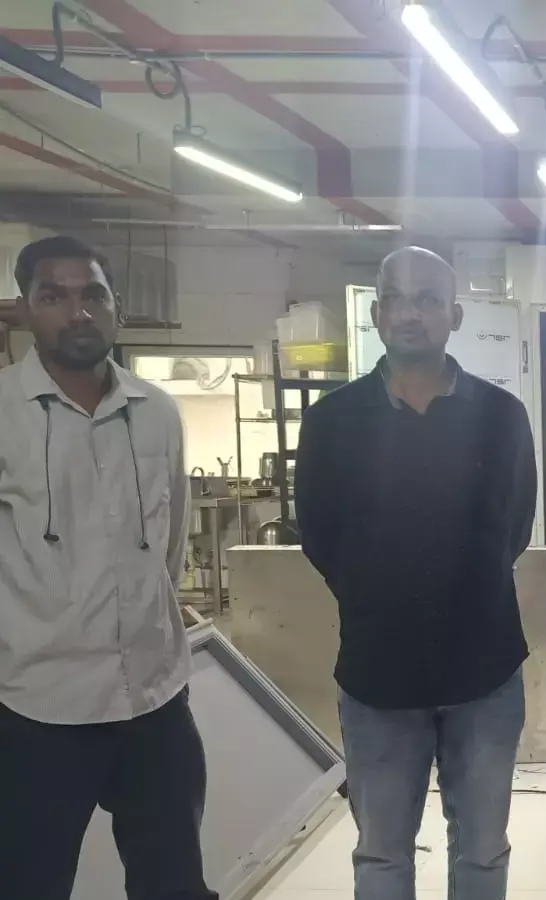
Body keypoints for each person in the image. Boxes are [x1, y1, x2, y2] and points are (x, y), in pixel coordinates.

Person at [296, 246, 537, 900]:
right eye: (397, 300)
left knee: (482, 852)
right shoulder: (332, 421)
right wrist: (379, 597)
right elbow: (319, 535)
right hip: (377, 677)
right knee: (381, 855)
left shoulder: (501, 417)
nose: (411, 313)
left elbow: (513, 527)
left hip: (484, 674)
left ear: (454, 315)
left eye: (428, 299)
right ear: (377, 313)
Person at [0, 236, 215, 899]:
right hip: (40, 709)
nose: (78, 312)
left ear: (116, 305)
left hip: (154, 700)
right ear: (25, 309)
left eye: (93, 294)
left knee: (174, 883)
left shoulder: (157, 412)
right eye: (54, 296)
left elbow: (169, 543)